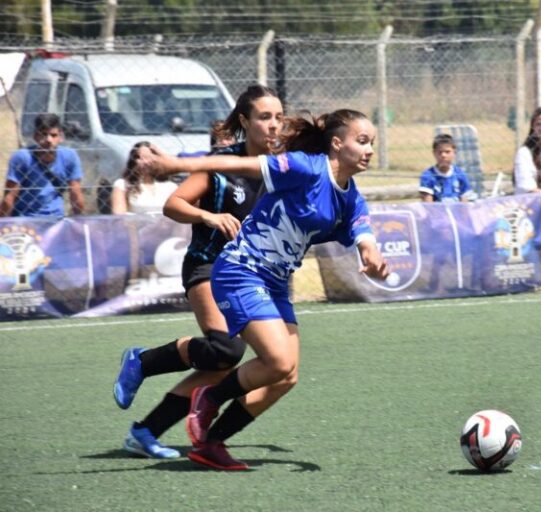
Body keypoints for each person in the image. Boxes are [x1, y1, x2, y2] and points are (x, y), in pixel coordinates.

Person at [148, 108, 389, 471]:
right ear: (337, 144)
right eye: (362, 140)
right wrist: (175, 163)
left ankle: (211, 444)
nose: (370, 149)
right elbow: (242, 166)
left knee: (285, 376)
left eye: (372, 142)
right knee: (276, 360)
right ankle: (208, 397)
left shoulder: (351, 197)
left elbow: (364, 236)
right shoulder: (307, 167)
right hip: (241, 269)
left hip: (274, 282)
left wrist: (372, 257)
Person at [112, 85, 284, 460]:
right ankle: (143, 361)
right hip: (208, 264)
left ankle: (145, 432)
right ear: (245, 121)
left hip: (250, 276)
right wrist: (208, 215)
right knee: (226, 350)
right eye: (264, 117)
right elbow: (173, 204)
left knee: (226, 363)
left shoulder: (280, 168)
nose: (274, 126)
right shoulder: (222, 166)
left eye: (278, 118)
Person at [0, 113, 85, 217]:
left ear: (61, 137)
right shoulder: (22, 157)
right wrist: (4, 224)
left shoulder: (69, 157)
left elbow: (75, 194)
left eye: (53, 135)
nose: (49, 140)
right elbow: (10, 197)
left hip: (56, 220)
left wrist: (78, 221)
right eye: (44, 134)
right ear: (35, 136)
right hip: (25, 219)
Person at [110, 142, 179, 215]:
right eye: (140, 158)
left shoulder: (170, 186)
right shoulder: (122, 185)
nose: (145, 162)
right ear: (134, 161)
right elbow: (119, 215)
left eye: (149, 158)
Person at [419, 133, 475, 203]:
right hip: (437, 213)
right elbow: (428, 205)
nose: (443, 155)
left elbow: (464, 200)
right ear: (434, 153)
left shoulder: (459, 174)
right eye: (440, 152)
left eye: (447, 152)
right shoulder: (428, 175)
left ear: (454, 152)